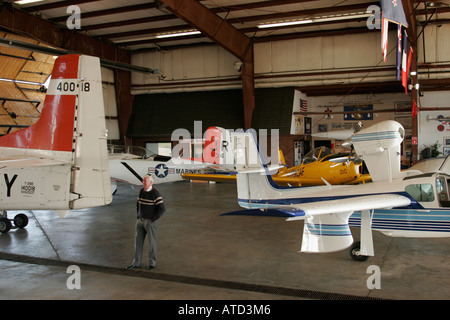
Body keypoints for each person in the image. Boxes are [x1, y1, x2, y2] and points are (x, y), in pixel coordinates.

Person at [127, 174, 166, 270]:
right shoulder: (141, 191)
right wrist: (138, 216)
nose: (143, 182)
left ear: (151, 182)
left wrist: (153, 219)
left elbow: (162, 209)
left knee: (152, 242)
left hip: (150, 222)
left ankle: (152, 263)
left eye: (145, 181)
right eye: (143, 181)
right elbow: (138, 204)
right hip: (140, 221)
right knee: (138, 242)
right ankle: (136, 263)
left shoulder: (155, 193)